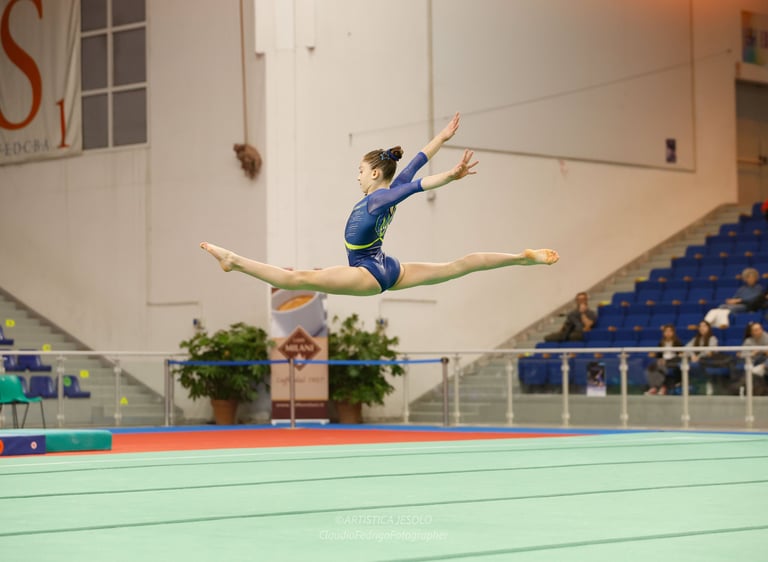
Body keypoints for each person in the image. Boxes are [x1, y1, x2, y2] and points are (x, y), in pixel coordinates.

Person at [201, 113, 559, 296]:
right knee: (459, 265)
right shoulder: (391, 186)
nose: (356, 176)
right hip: (389, 267)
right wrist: (443, 137)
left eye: (359, 171)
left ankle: (233, 261)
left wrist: (451, 175)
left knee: (297, 278)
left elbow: (420, 183)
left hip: (368, 272)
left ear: (374, 173)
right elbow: (418, 160)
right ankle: (520, 257)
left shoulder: (381, 198)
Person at [685, 320, 732, 395]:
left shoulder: (712, 339)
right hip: (695, 360)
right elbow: (687, 348)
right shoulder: (695, 339)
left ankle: (705, 383)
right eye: (700, 326)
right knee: (683, 364)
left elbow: (708, 352)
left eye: (704, 326)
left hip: (707, 361)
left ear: (709, 328)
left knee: (694, 365)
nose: (702, 328)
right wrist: (693, 356)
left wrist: (698, 357)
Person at [644, 324, 683, 395]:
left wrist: (666, 361)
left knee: (661, 367)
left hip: (673, 362)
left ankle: (661, 387)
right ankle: (654, 387)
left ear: (673, 332)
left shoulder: (678, 343)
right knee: (651, 368)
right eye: (666, 331)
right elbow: (659, 355)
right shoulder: (661, 343)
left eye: (669, 331)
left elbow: (680, 356)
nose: (668, 333)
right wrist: (654, 355)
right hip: (662, 361)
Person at [741, 321, 768, 395]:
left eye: (760, 329)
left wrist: (761, 351)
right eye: (756, 330)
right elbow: (742, 354)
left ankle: (762, 367)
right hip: (754, 362)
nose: (759, 331)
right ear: (751, 332)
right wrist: (753, 353)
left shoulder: (766, 337)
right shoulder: (748, 341)